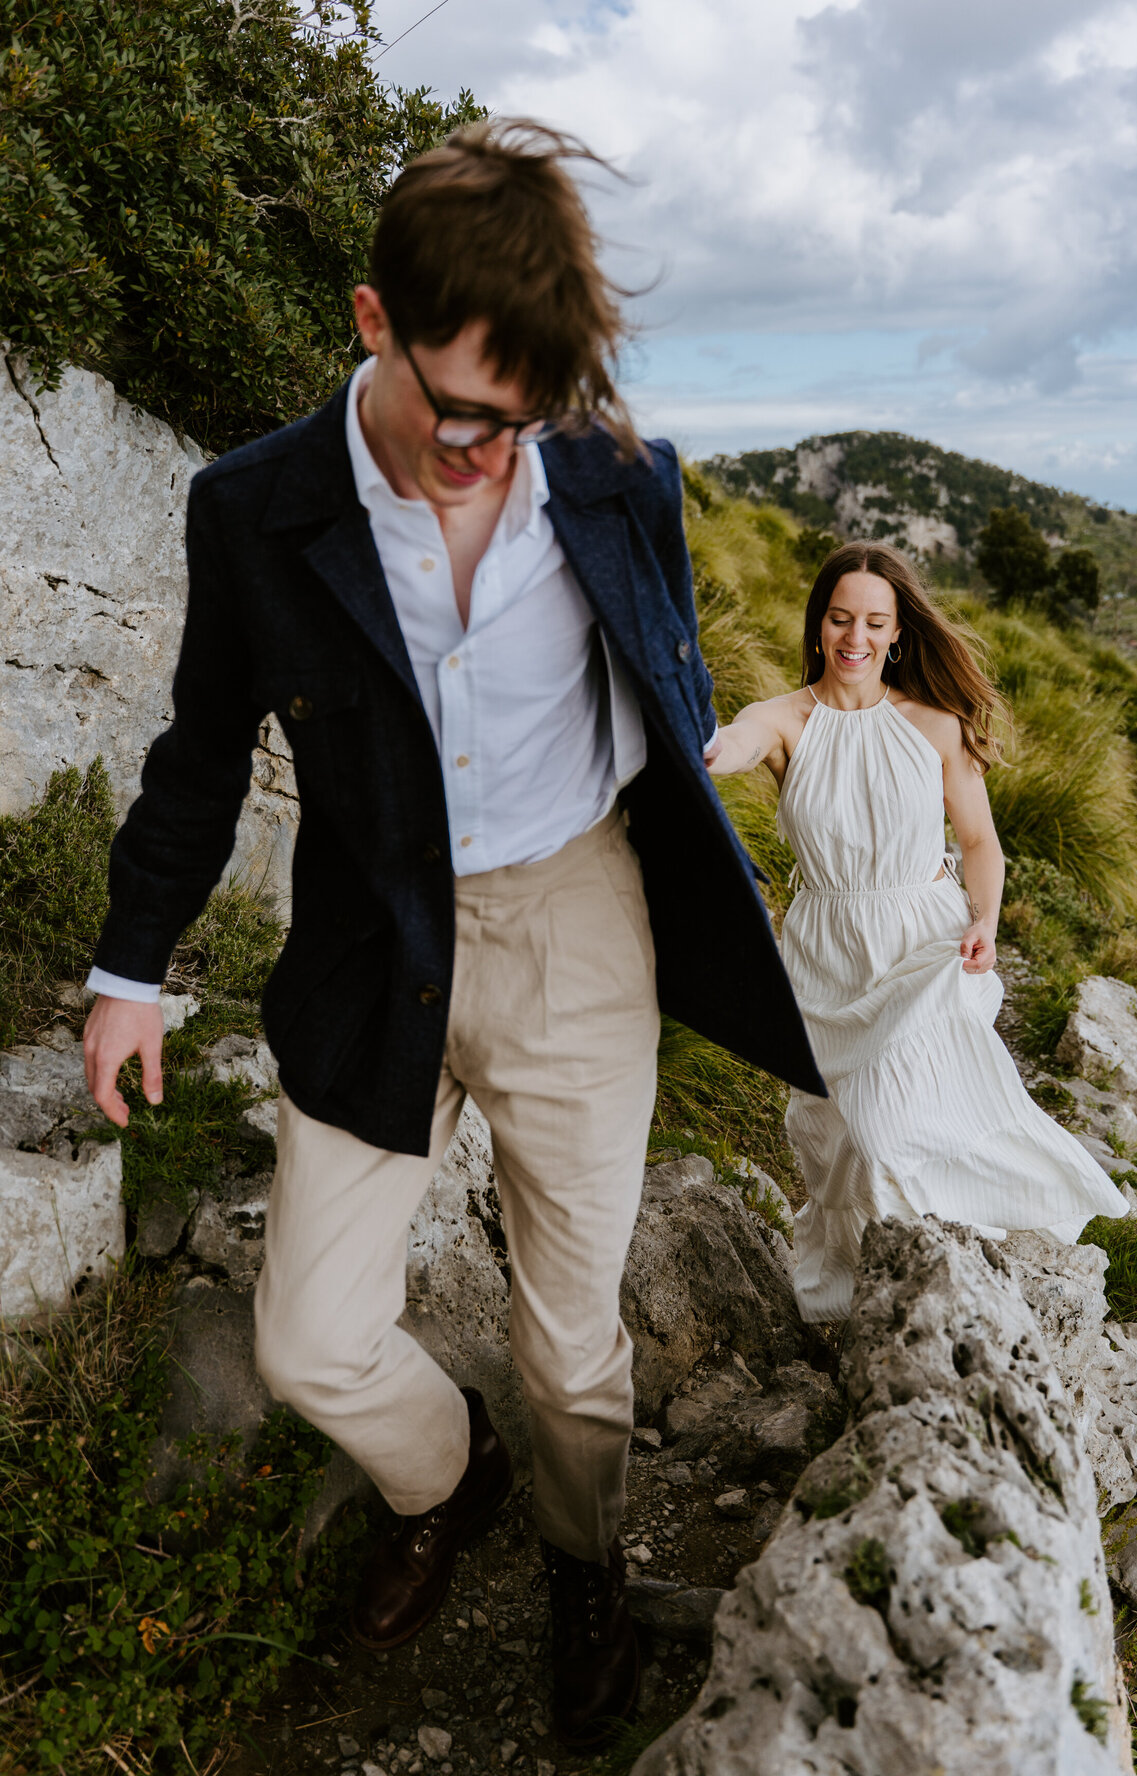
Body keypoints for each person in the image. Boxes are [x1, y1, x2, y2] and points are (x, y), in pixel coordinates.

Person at [80, 119, 823, 1745]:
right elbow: (204, 752)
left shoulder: (617, 478)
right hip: (372, 929)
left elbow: (671, 691)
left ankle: (579, 1559)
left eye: (527, 418)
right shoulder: (250, 509)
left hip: (576, 923)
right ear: (371, 324)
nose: (497, 453)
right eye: (466, 412)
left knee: (574, 1353)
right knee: (308, 1342)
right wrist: (131, 969)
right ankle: (450, 1479)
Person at [705, 539, 1128, 1322]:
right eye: (839, 619)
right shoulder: (784, 720)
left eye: (873, 621)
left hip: (921, 943)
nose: (854, 638)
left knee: (894, 1125)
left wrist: (987, 920)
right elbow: (728, 745)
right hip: (825, 951)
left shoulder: (935, 725)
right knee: (836, 1144)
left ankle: (942, 1287)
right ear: (820, 623)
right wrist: (699, 733)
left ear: (898, 632)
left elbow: (979, 844)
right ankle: (847, 1298)